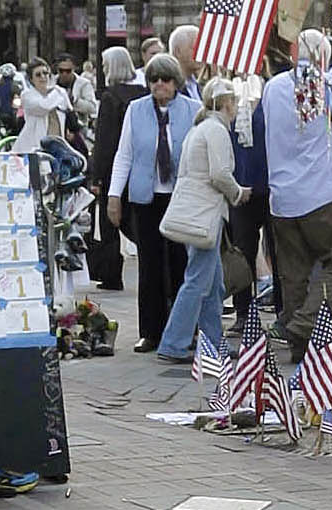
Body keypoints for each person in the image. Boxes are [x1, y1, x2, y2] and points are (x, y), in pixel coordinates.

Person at [258, 30, 332, 373]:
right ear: (325, 57)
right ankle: (304, 325)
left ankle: (299, 344)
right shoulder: (325, 85)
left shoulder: (272, 87)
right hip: (324, 192)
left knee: (294, 272)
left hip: (284, 196)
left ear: (294, 52)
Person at [108, 54, 196, 351]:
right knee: (149, 266)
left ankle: (185, 328)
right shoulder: (136, 110)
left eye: (166, 79)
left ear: (176, 83)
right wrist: (113, 196)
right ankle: (151, 331)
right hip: (146, 198)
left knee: (181, 264)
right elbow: (124, 156)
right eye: (154, 79)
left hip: (181, 198)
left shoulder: (193, 110)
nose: (159, 84)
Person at [156, 77, 243, 363]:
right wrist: (239, 193)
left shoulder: (201, 127)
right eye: (235, 102)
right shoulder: (216, 130)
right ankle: (174, 342)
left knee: (213, 283)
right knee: (197, 281)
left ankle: (212, 341)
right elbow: (219, 174)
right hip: (205, 214)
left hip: (197, 211)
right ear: (227, 103)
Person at [89, 44, 141, 285]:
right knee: (136, 219)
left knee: (110, 223)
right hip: (139, 166)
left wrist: (96, 175)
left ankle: (111, 274)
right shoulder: (143, 93)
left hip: (114, 167)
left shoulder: (110, 97)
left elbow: (105, 139)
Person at [18, 59, 83, 180]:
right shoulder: (27, 95)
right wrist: (58, 91)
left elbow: (70, 112)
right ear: (31, 79)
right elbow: (44, 106)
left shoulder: (58, 93)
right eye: (38, 74)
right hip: (35, 147)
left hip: (59, 147)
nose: (43, 77)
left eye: (45, 73)